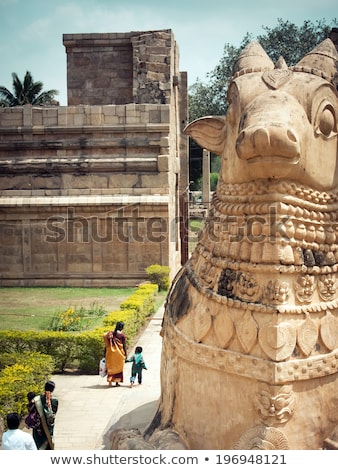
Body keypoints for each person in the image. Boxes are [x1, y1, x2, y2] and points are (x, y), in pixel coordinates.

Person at [32, 381, 58, 450]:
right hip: (48, 428)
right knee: (48, 444)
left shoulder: (36, 400)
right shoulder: (55, 401)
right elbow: (53, 414)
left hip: (38, 428)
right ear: (52, 389)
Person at [103, 321, 127, 387]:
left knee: (111, 367)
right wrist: (126, 354)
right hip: (119, 354)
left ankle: (110, 381)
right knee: (119, 367)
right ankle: (117, 382)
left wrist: (104, 353)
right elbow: (124, 346)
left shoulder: (111, 334)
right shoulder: (122, 336)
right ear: (122, 327)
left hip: (110, 354)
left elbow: (107, 345)